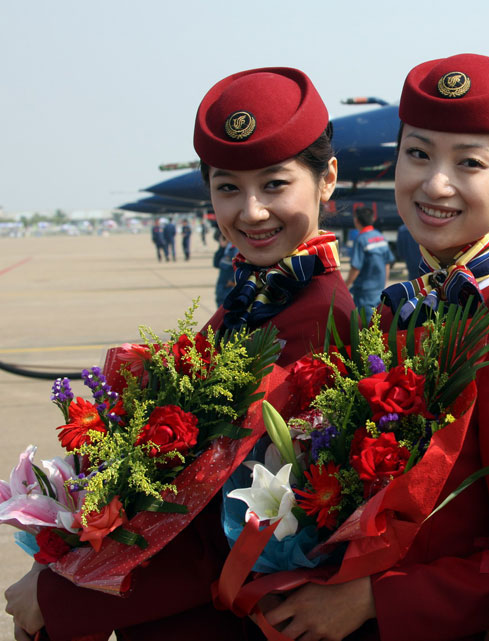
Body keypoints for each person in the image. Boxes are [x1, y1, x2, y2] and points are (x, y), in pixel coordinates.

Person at [4, 66, 355, 641]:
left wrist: (60, 594)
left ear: (327, 179)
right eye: (227, 188)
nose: (251, 211)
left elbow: (225, 534)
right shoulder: (247, 305)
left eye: (274, 184)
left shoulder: (326, 327)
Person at [258, 53, 489, 641]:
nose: (434, 183)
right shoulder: (390, 314)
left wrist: (375, 599)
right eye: (419, 154)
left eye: (470, 163)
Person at [345, 206, 394, 321]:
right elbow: (387, 262)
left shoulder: (361, 239)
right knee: (378, 322)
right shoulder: (380, 237)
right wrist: (384, 282)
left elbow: (355, 267)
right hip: (379, 289)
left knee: (367, 326)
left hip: (365, 292)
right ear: (372, 219)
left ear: (356, 221)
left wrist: (345, 285)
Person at [213, 229, 239, 307]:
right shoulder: (227, 248)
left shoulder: (236, 249)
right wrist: (221, 247)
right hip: (222, 286)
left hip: (229, 287)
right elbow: (216, 264)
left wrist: (233, 281)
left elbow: (239, 266)